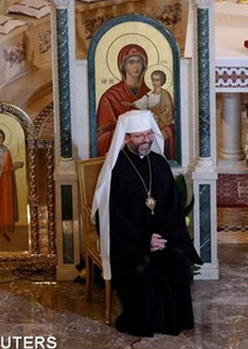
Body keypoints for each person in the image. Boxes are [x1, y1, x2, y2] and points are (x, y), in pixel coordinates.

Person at [92, 110, 202, 337]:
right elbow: (114, 216)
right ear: (125, 138)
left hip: (163, 237)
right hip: (130, 242)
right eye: (139, 136)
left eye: (149, 134)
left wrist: (164, 237)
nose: (146, 140)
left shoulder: (159, 163)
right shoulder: (117, 170)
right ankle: (147, 322)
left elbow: (172, 206)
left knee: (177, 260)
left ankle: (176, 320)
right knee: (147, 271)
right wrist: (145, 240)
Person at [96, 44, 151, 156]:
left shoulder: (152, 95)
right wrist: (130, 135)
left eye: (139, 62)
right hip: (122, 154)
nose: (136, 66)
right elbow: (101, 135)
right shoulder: (110, 97)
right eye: (131, 62)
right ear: (123, 66)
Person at [125, 70, 175, 160]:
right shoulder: (149, 94)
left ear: (162, 81)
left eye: (157, 80)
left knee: (159, 138)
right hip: (150, 124)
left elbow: (169, 111)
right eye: (153, 80)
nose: (155, 83)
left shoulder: (165, 95)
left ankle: (160, 158)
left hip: (164, 124)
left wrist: (158, 117)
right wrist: (131, 104)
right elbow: (141, 102)